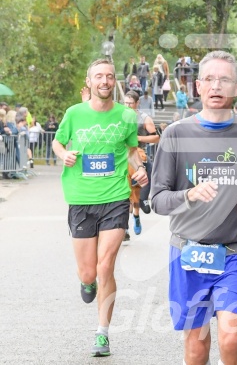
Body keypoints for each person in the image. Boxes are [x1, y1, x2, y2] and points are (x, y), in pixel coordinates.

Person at [150, 50, 237, 365]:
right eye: (209, 79)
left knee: (231, 338)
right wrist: (189, 195)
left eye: (224, 79)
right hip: (187, 253)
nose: (216, 86)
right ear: (197, 87)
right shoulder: (176, 135)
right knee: (196, 349)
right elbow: (157, 200)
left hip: (236, 253)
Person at [51, 58, 148, 357]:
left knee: (106, 267)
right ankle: (88, 282)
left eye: (109, 76)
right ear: (89, 81)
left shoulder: (125, 115)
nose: (104, 81)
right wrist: (64, 154)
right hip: (81, 199)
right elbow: (57, 143)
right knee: (89, 272)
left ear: (113, 81)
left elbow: (130, 151)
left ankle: (102, 333)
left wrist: (139, 168)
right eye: (98, 76)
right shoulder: (74, 113)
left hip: (115, 197)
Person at [122, 90, 160, 242]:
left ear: (137, 104)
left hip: (138, 154)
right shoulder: (118, 116)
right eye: (125, 103)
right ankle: (124, 227)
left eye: (130, 103)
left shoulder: (144, 118)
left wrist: (136, 137)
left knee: (136, 193)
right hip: (120, 156)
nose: (127, 106)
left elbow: (156, 137)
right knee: (124, 194)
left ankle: (138, 213)